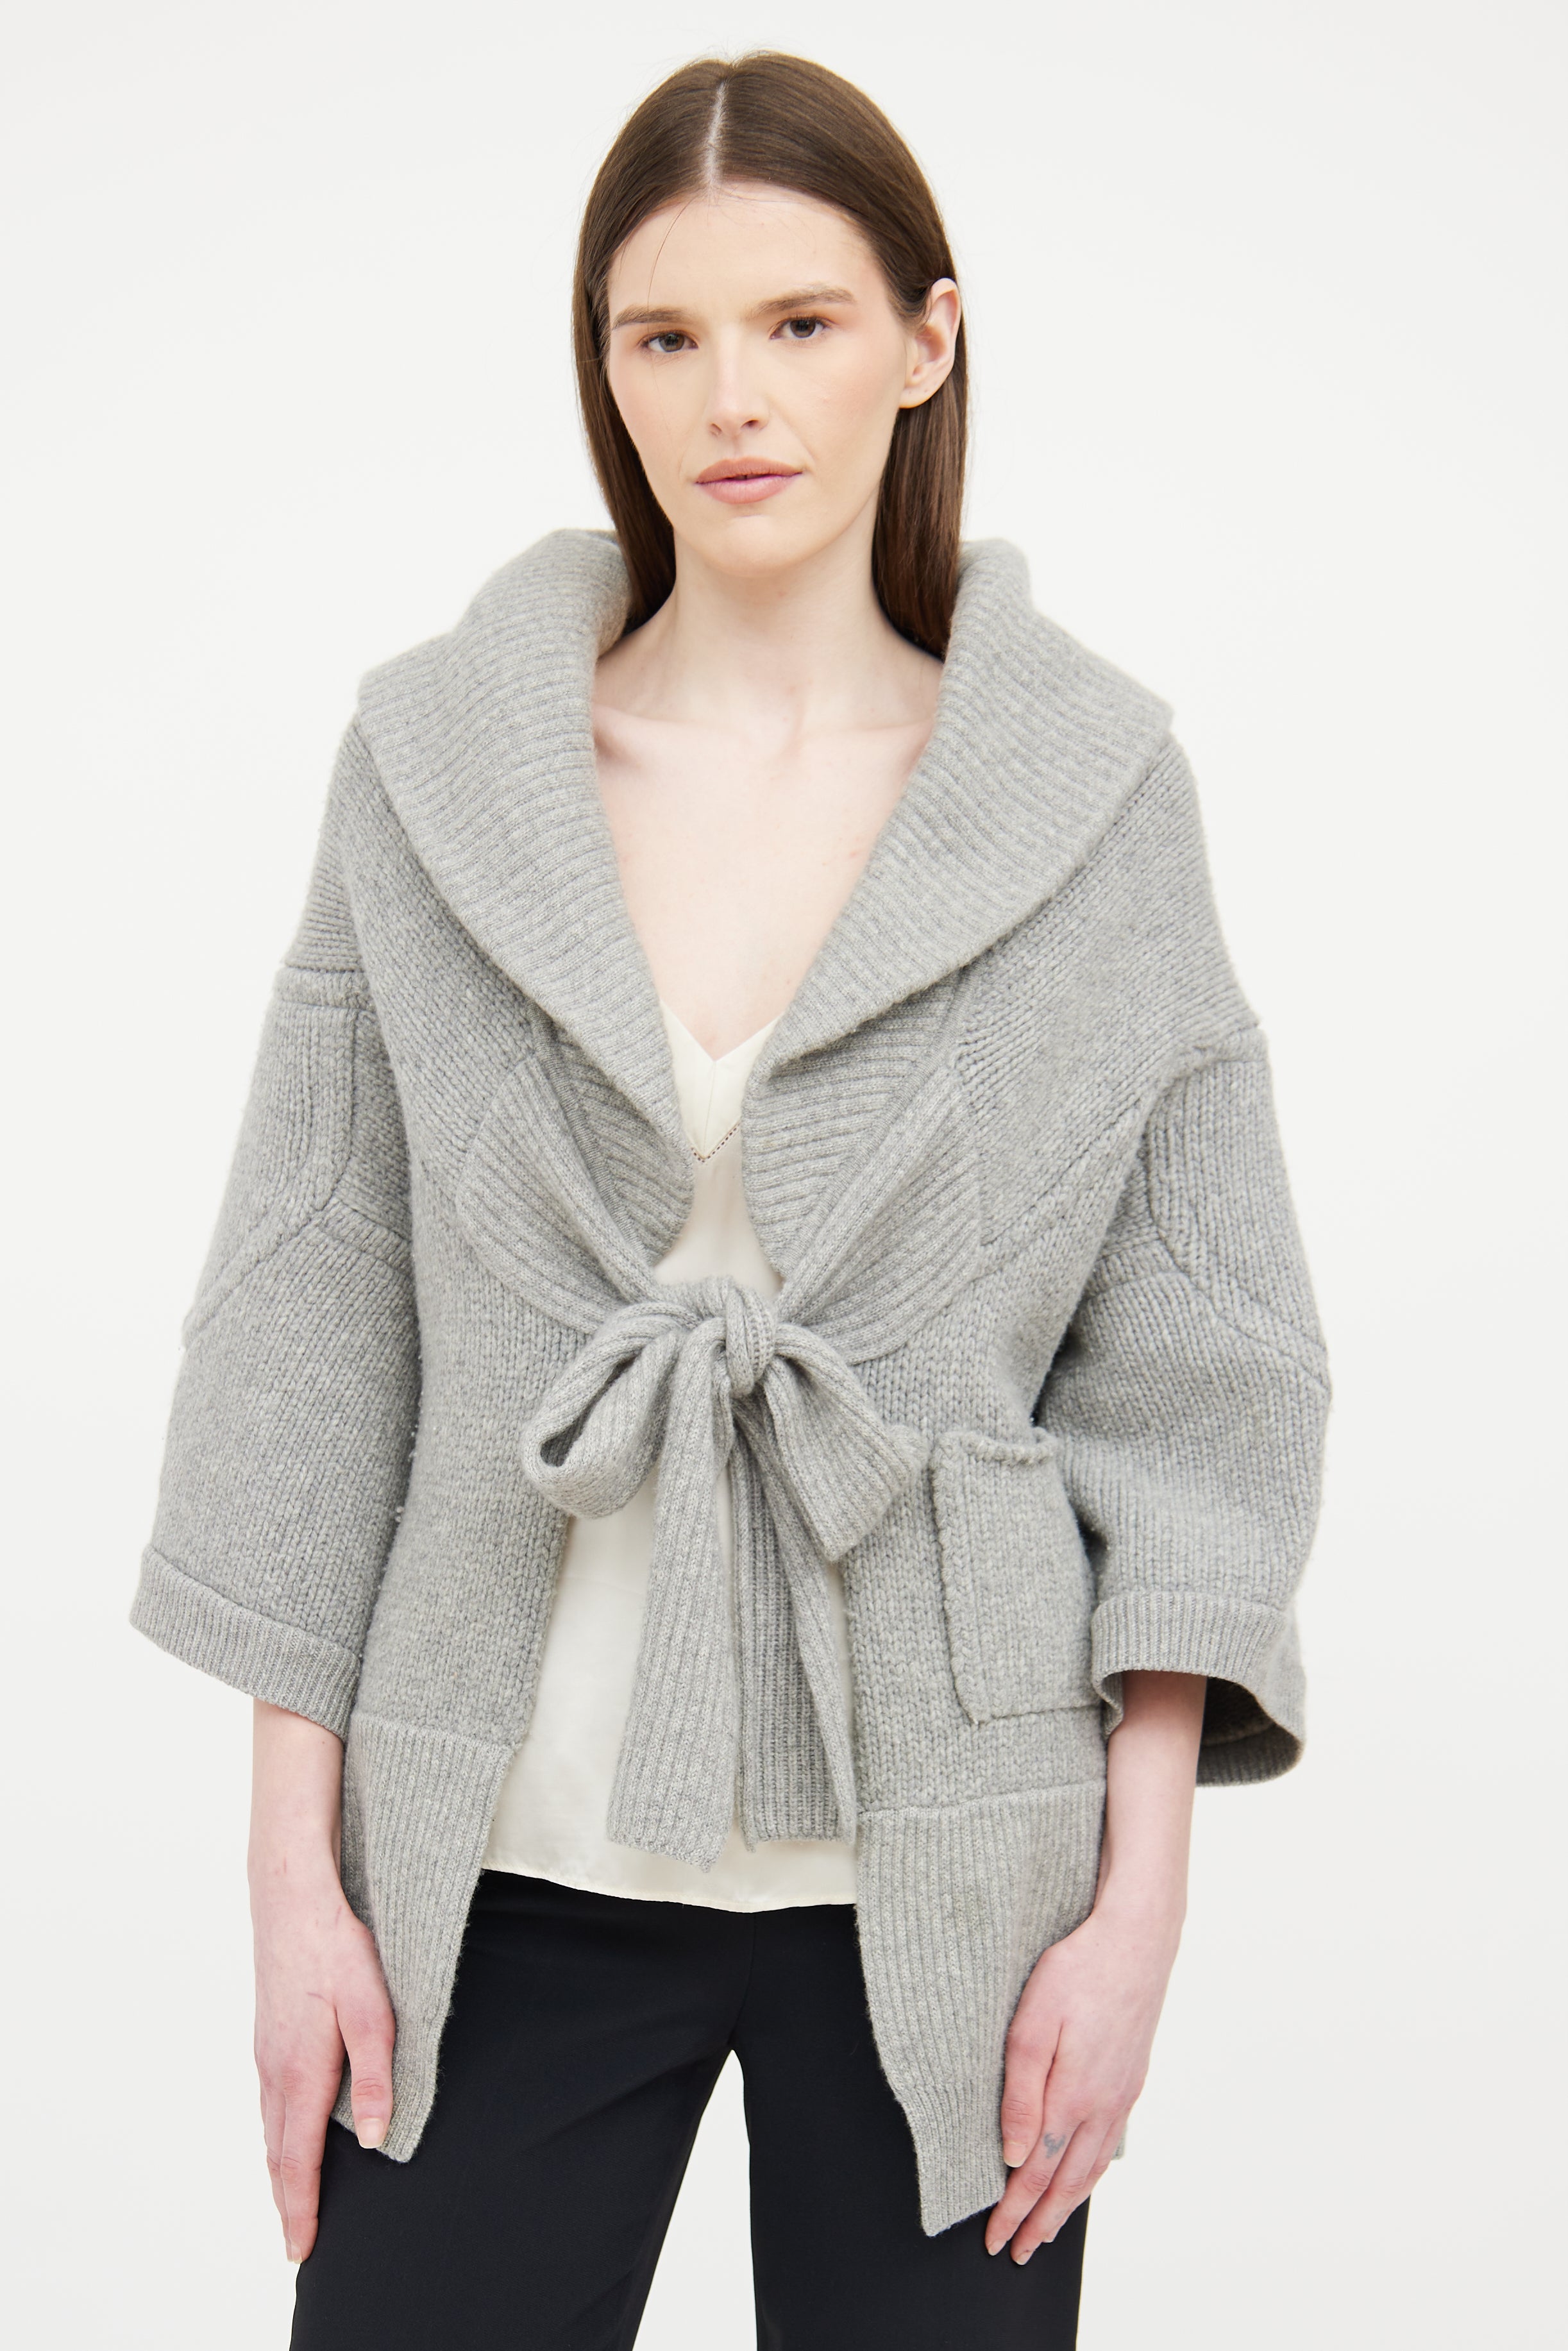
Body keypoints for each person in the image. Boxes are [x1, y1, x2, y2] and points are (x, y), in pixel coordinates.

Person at [133, 49, 1330, 2350]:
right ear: (604, 365)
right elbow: (313, 1315)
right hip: (490, 1846)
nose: (731, 398)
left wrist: (1137, 1908)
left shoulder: (1090, 795)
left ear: (928, 340)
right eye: (662, 335)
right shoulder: (437, 769)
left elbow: (1203, 1369)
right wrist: (293, 1880)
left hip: (954, 1864)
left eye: (799, 322)